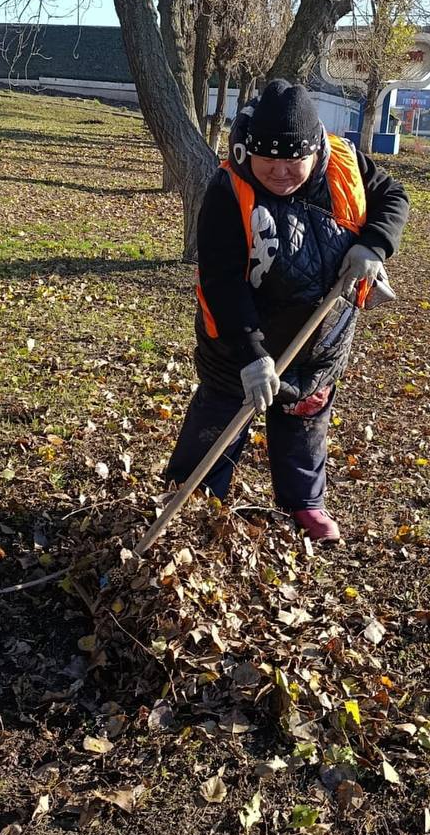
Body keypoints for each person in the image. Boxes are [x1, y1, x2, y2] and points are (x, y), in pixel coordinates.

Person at [164, 79, 409, 543]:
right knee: (219, 422)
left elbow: (394, 199)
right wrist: (251, 355)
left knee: (305, 417)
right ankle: (188, 500)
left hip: (321, 339)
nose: (278, 171)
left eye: (292, 159)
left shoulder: (347, 165)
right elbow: (221, 282)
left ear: (315, 149)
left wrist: (374, 245)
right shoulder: (227, 191)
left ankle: (305, 502)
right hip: (240, 343)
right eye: (267, 159)